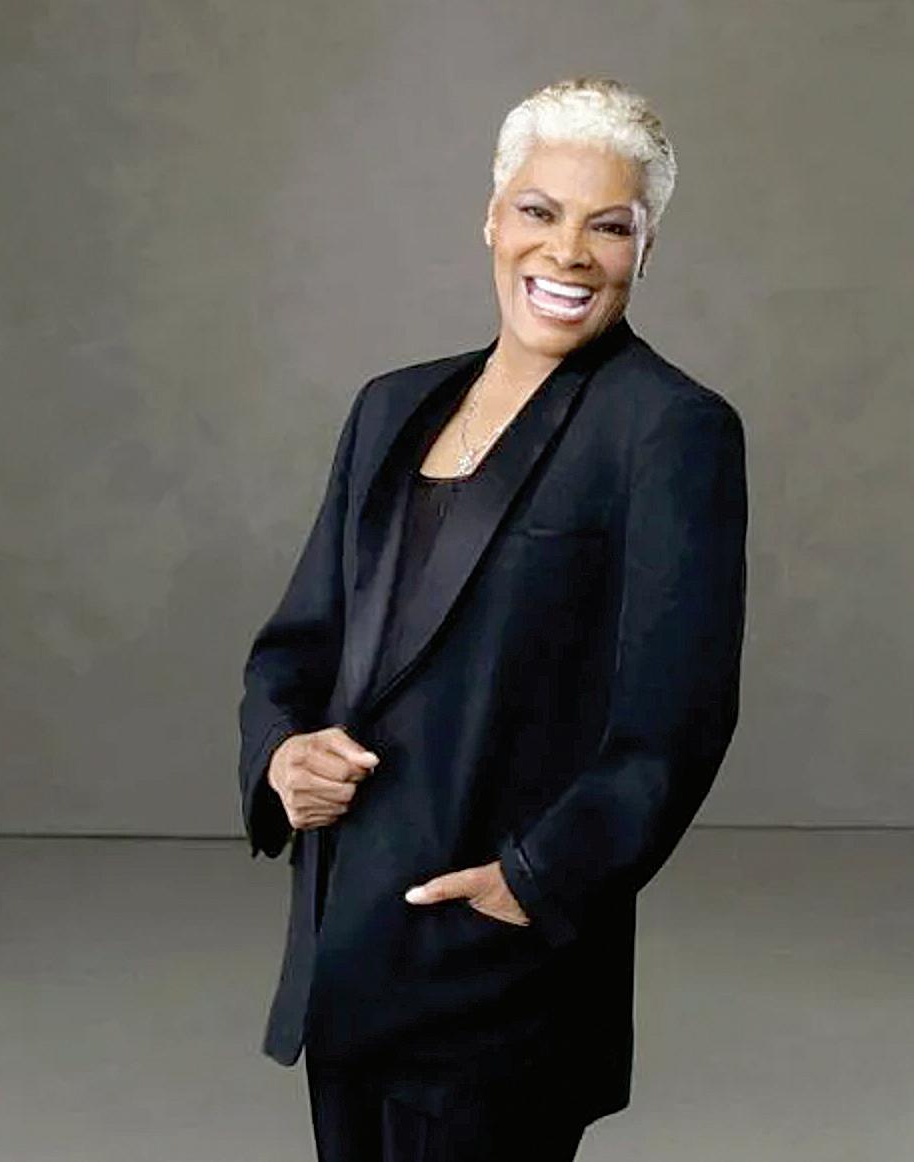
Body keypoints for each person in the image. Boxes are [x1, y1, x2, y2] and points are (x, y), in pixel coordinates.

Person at [237, 75, 748, 1161]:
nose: (568, 253)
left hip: (501, 968)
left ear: (645, 249)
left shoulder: (669, 430)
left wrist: (534, 879)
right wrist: (279, 755)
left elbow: (676, 720)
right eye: (539, 211)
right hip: (345, 950)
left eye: (609, 226)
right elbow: (298, 644)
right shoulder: (389, 406)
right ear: (492, 218)